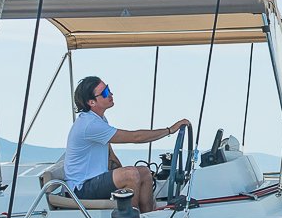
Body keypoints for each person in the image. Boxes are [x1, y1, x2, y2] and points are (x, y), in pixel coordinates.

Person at [62, 76, 190, 210]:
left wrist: (124, 171)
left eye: (108, 89)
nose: (111, 94)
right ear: (92, 102)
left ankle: (148, 216)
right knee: (131, 174)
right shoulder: (90, 124)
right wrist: (169, 130)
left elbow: (110, 154)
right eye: (105, 93)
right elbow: (136, 137)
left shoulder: (99, 119)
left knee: (144, 172)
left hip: (94, 180)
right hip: (81, 188)